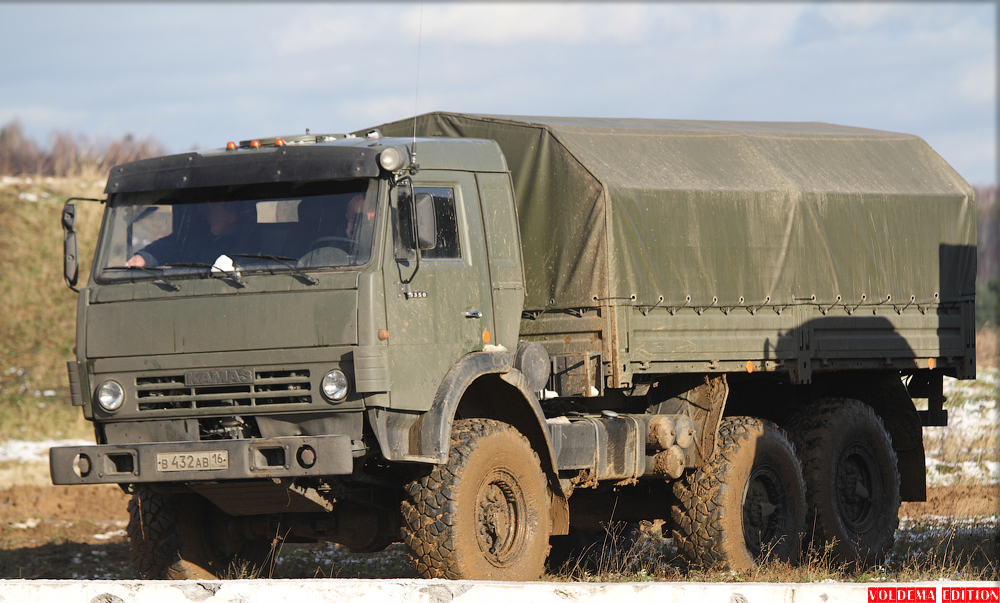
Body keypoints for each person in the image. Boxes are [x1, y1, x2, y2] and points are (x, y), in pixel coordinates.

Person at [126, 201, 241, 268]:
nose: (210, 217)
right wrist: (145, 257)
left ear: (231, 216)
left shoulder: (247, 243)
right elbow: (172, 244)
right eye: (210, 211)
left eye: (216, 212)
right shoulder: (198, 236)